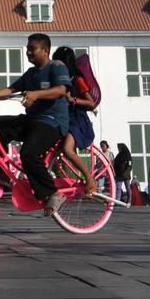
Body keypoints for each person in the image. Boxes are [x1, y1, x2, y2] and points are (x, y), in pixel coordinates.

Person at [0, 33, 71, 216]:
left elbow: (61, 90)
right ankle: (2, 175)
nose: (28, 52)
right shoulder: (31, 74)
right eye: (27, 48)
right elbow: (12, 89)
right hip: (32, 121)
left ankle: (53, 193)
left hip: (52, 122)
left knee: (28, 154)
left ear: (45, 50)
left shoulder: (56, 67)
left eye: (32, 49)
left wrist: (36, 94)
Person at [52, 46, 98, 195]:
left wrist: (72, 100)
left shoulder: (77, 80)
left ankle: (90, 178)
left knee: (67, 149)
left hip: (77, 121)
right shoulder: (60, 81)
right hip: (63, 118)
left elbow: (91, 103)